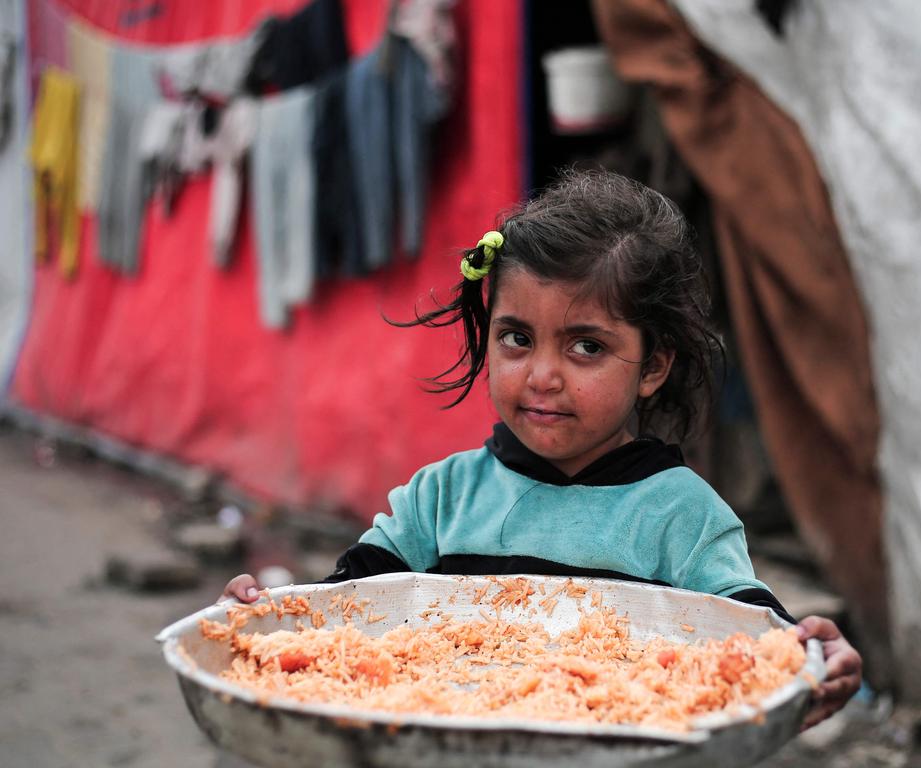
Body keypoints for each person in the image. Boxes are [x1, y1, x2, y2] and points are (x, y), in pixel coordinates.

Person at [221, 168, 862, 729]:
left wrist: (809, 653)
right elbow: (344, 612)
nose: (541, 375)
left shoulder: (681, 517)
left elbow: (751, 644)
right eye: (517, 338)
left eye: (586, 346)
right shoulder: (439, 499)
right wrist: (268, 620)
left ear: (652, 367)